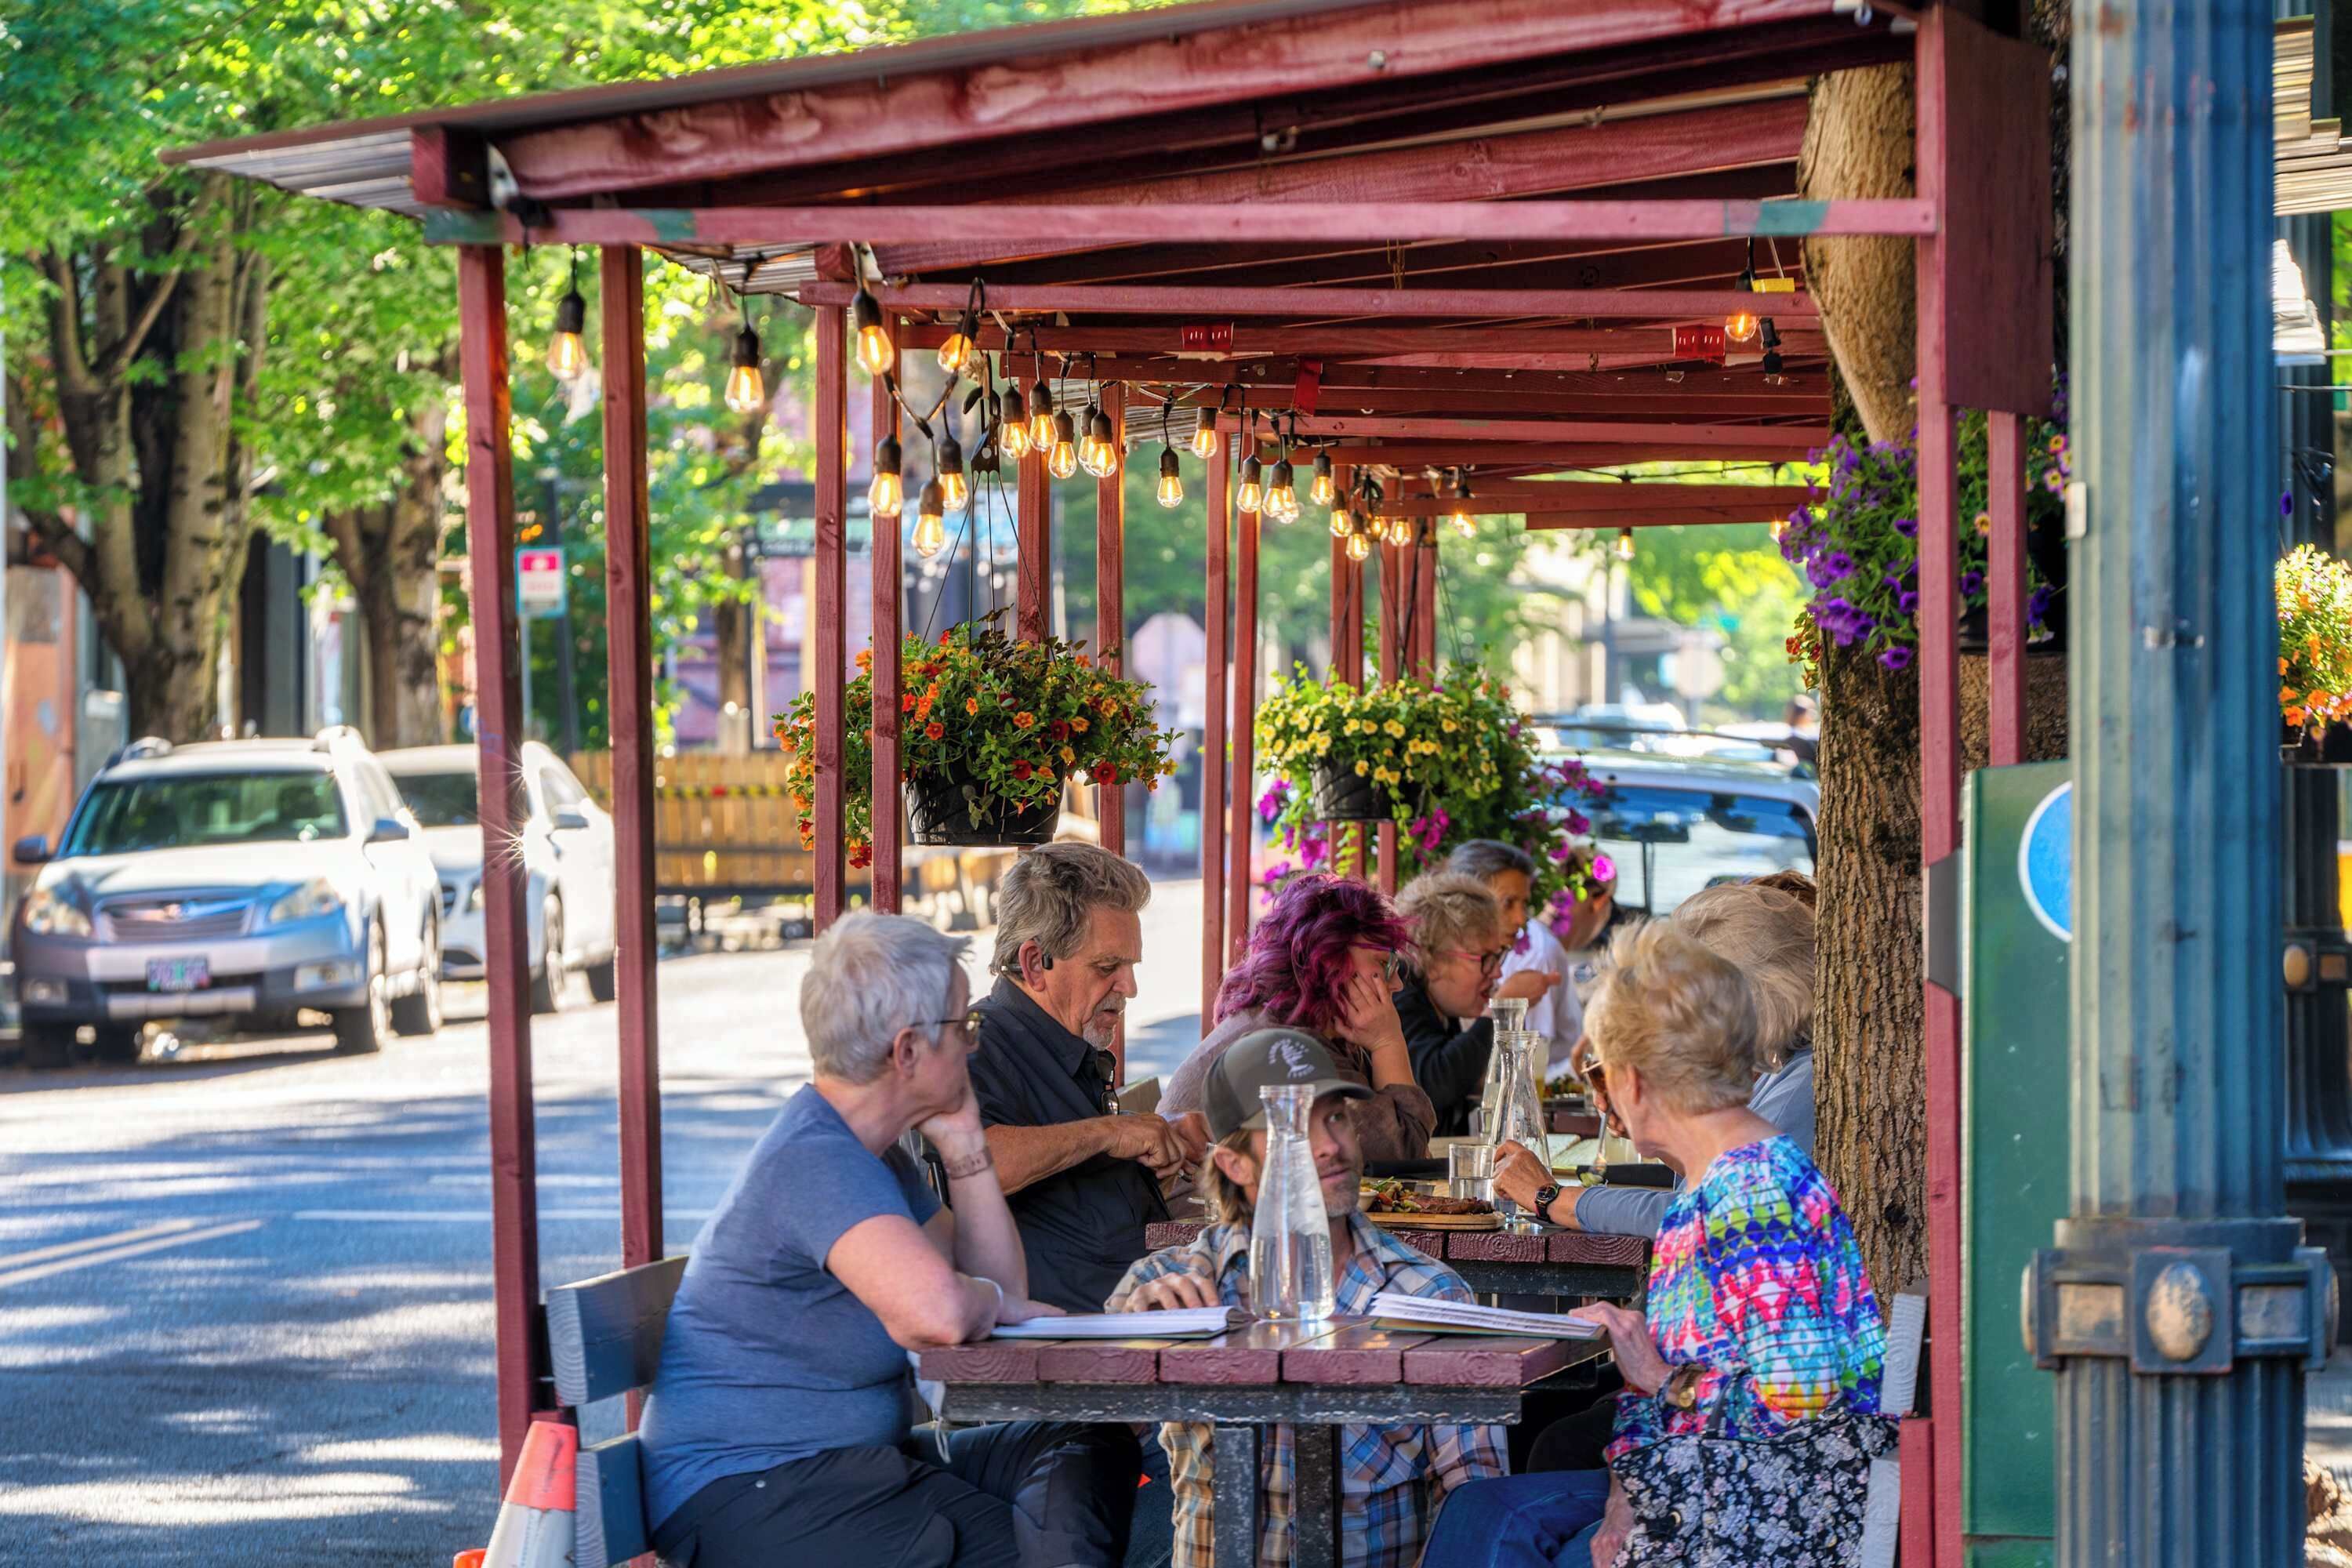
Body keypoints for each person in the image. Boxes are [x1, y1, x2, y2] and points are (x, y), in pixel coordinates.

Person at [640, 912, 1142, 1568]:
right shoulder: (815, 1156)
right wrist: (989, 1301)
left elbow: (998, 1286)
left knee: (1089, 1440)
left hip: (855, 1469)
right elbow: (936, 1316)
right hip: (759, 1490)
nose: (972, 1047)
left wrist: (964, 1143)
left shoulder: (874, 1156)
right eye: (964, 1028)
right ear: (907, 1051)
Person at [1419, 922, 1886, 1568]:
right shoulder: (1716, 1183)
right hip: (1709, 1488)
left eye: (1602, 1074)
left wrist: (1662, 1377)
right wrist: (1625, 1496)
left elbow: (1806, 1406)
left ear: (1633, 1080)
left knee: (1496, 1532)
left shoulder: (1758, 1198)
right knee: (1479, 1511)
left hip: (1755, 1525)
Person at [1109, 1028, 1508, 1568]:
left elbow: (1475, 1507)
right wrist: (1135, 1341)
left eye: (1336, 1116)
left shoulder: (1430, 1295)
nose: (1330, 1144)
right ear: (1235, 1165)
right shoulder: (1173, 1284)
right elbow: (1092, 1437)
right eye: (1294, 1126)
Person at [1494, 879, 1819, 1240]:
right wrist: (1653, 1126)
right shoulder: (1784, 1065)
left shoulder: (1805, 1084)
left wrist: (1553, 1199)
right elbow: (1706, 1182)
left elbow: (1708, 1217)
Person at [969, 841, 1209, 1316]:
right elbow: (973, 1164)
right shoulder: (976, 1044)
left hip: (1144, 1303)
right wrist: (1111, 1133)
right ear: (1036, 963)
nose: (1129, 988)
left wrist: (1153, 1148)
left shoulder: (1068, 1044)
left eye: (1130, 967)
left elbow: (1076, 1198)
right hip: (1073, 1342)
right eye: (1107, 968)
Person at [1161, 874, 1434, 1162]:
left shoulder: (1302, 1027)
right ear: (1328, 959)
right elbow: (1402, 1154)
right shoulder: (1284, 1044)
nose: (1397, 985)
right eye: (1385, 963)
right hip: (1206, 1207)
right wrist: (1387, 1041)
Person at [1390, 871, 1535, 1137]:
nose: (1497, 973)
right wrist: (1499, 1010)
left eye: (1498, 956)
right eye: (1485, 958)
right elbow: (1436, 1083)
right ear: (1433, 960)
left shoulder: (1441, 1005)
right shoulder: (1400, 997)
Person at [1443, 841, 1573, 1071]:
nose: (1520, 919)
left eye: (1524, 904)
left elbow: (1528, 1061)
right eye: (1508, 903)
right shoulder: (1430, 967)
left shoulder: (1535, 951)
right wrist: (1503, 1005)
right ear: (1465, 903)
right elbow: (1441, 1077)